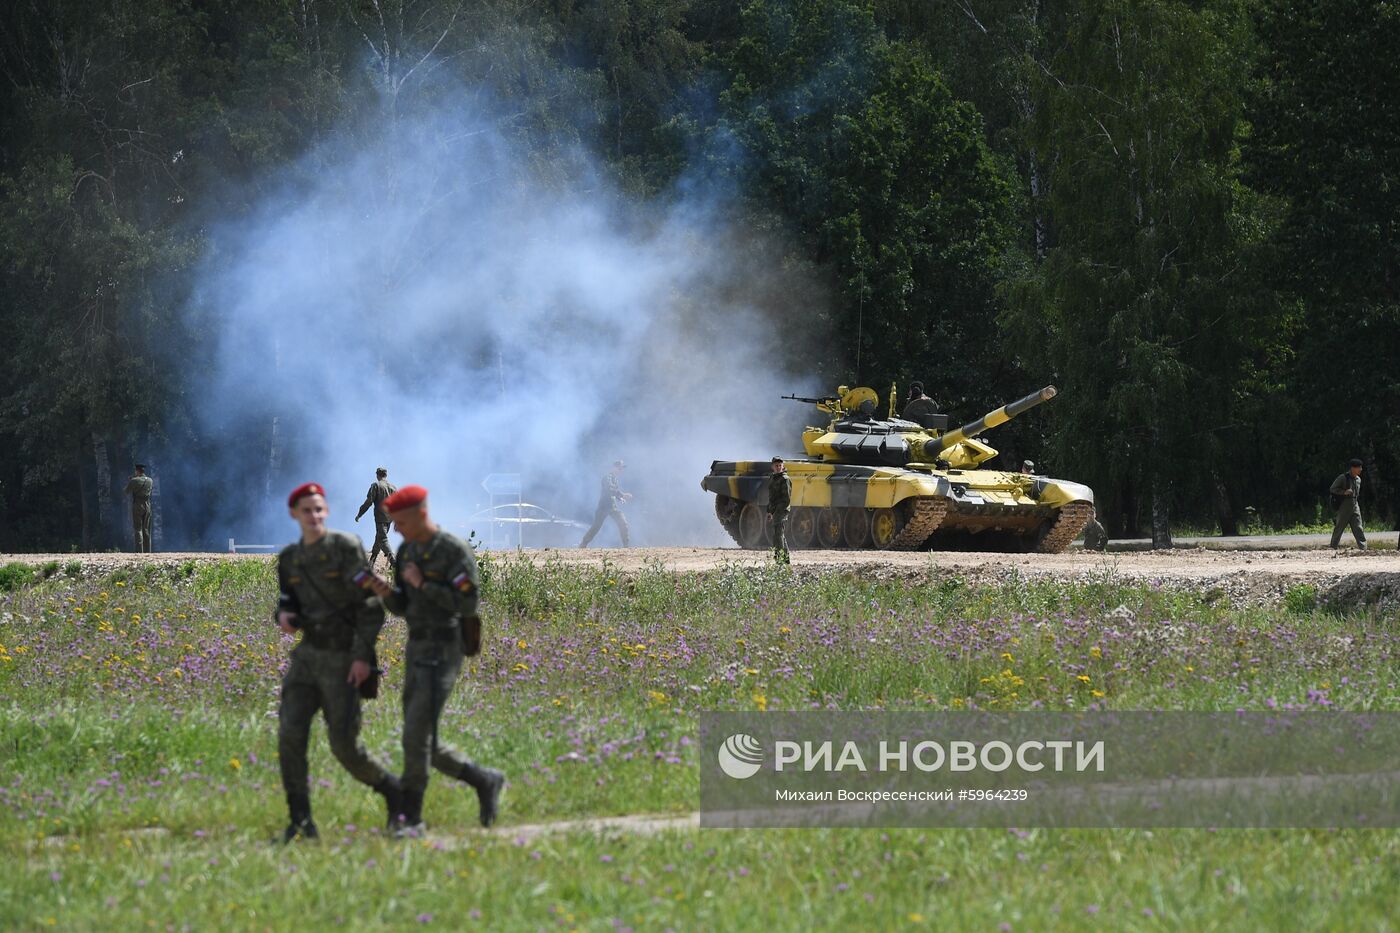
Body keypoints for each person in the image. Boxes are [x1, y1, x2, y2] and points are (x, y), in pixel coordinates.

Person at [368, 485, 504, 836]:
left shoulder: (451, 551)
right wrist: (386, 592)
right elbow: (403, 606)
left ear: (420, 514)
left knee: (415, 735)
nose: (394, 528)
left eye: (398, 521)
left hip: (444, 649)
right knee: (421, 737)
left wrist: (424, 584)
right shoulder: (408, 549)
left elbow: (468, 604)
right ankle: (483, 780)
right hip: (417, 648)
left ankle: (410, 818)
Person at [274, 482, 403, 843]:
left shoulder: (346, 549)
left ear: (325, 512)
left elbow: (370, 607)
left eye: (319, 510)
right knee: (289, 736)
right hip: (307, 658)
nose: (313, 516)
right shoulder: (289, 559)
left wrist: (363, 657)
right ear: (295, 515)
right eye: (306, 511)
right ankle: (301, 823)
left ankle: (393, 793)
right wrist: (284, 616)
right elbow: (286, 603)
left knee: (345, 748)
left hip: (344, 657)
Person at [578, 460, 632, 547]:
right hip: (603, 507)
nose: (621, 470)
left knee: (622, 522)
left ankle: (626, 545)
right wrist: (622, 495)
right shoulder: (607, 478)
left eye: (622, 469)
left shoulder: (615, 479)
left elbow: (614, 492)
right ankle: (583, 544)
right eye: (619, 468)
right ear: (614, 468)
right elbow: (609, 490)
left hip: (612, 506)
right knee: (596, 527)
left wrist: (620, 498)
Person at [355, 467, 398, 569]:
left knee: (382, 539)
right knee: (379, 537)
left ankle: (393, 561)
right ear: (386, 475)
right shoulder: (393, 487)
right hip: (390, 518)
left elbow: (369, 502)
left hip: (380, 517)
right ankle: (371, 562)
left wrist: (359, 514)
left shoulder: (376, 485)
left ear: (377, 475)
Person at [1329, 459, 1368, 550]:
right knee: (1339, 527)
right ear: (1352, 468)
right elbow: (1332, 489)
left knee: (1358, 527)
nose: (1361, 469)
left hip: (1355, 505)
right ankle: (1333, 546)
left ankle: (1363, 548)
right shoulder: (1343, 477)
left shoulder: (1358, 479)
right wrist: (1344, 492)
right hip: (1344, 506)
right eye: (1359, 467)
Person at [123, 464, 154, 553]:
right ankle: (148, 551)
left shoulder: (134, 480)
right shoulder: (150, 480)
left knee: (138, 529)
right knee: (146, 529)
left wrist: (131, 481)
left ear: (137, 471)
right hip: (147, 505)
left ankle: (139, 551)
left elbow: (126, 491)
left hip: (138, 505)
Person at [767, 457, 791, 564]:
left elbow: (786, 499)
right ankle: (785, 560)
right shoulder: (772, 477)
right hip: (775, 510)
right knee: (779, 535)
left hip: (782, 510)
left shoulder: (784, 479)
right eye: (776, 465)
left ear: (783, 466)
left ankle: (780, 560)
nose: (778, 467)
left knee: (778, 535)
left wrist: (777, 511)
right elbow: (771, 497)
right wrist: (770, 511)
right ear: (772, 467)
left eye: (780, 465)